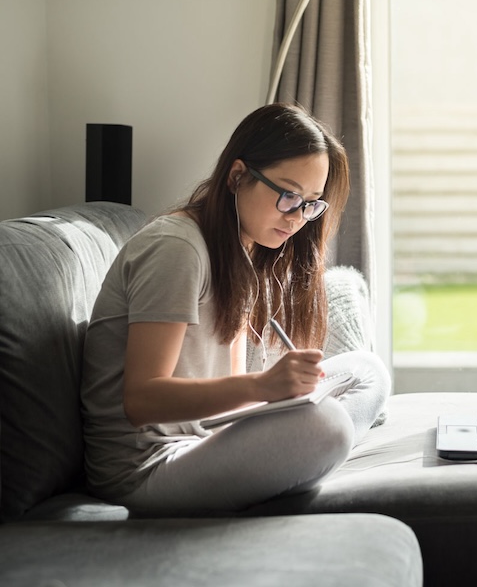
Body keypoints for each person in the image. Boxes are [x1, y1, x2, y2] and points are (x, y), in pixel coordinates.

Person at [81, 103, 390, 512]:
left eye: (311, 203)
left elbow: (232, 397)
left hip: (201, 438)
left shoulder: (241, 250)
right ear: (238, 176)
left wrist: (279, 399)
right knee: (328, 426)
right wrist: (263, 388)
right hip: (147, 466)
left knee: (367, 371)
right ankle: (310, 458)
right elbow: (141, 401)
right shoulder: (177, 249)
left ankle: (301, 461)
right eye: (288, 195)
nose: (298, 218)